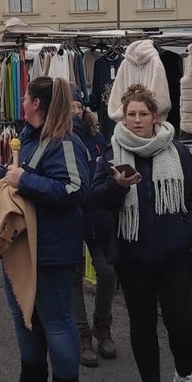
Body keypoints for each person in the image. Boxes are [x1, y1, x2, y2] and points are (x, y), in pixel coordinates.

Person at [0, 76, 91, 382]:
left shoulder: (65, 141)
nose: (21, 101)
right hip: (22, 248)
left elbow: (76, 189)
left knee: (58, 324)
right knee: (25, 320)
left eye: (26, 97)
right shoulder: (33, 138)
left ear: (37, 104)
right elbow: (9, 175)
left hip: (52, 251)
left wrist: (25, 182)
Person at [94, 84, 192, 382]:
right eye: (130, 114)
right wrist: (117, 188)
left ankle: (186, 378)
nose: (136, 120)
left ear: (155, 117)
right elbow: (96, 201)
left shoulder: (178, 152)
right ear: (123, 116)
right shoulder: (111, 154)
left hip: (175, 256)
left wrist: (188, 229)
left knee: (181, 322)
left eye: (143, 114)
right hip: (133, 259)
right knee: (142, 325)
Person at [71, 94, 116, 365]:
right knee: (73, 276)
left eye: (79, 106)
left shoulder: (97, 139)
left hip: (97, 216)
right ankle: (82, 333)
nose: (76, 111)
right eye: (71, 107)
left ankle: (103, 324)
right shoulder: (59, 139)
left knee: (107, 272)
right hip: (71, 217)